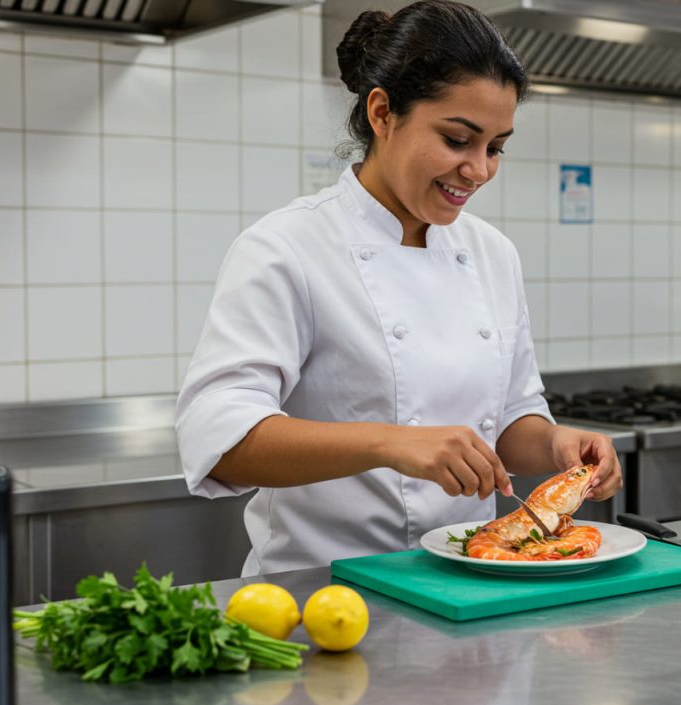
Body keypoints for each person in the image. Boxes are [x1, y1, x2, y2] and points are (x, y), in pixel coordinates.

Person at [176, 0, 623, 576]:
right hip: (322, 589)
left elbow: (509, 416)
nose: (480, 170)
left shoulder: (491, 254)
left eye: (496, 147)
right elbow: (221, 438)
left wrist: (558, 446)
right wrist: (389, 442)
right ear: (383, 113)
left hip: (471, 583)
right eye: (458, 139)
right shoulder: (288, 247)